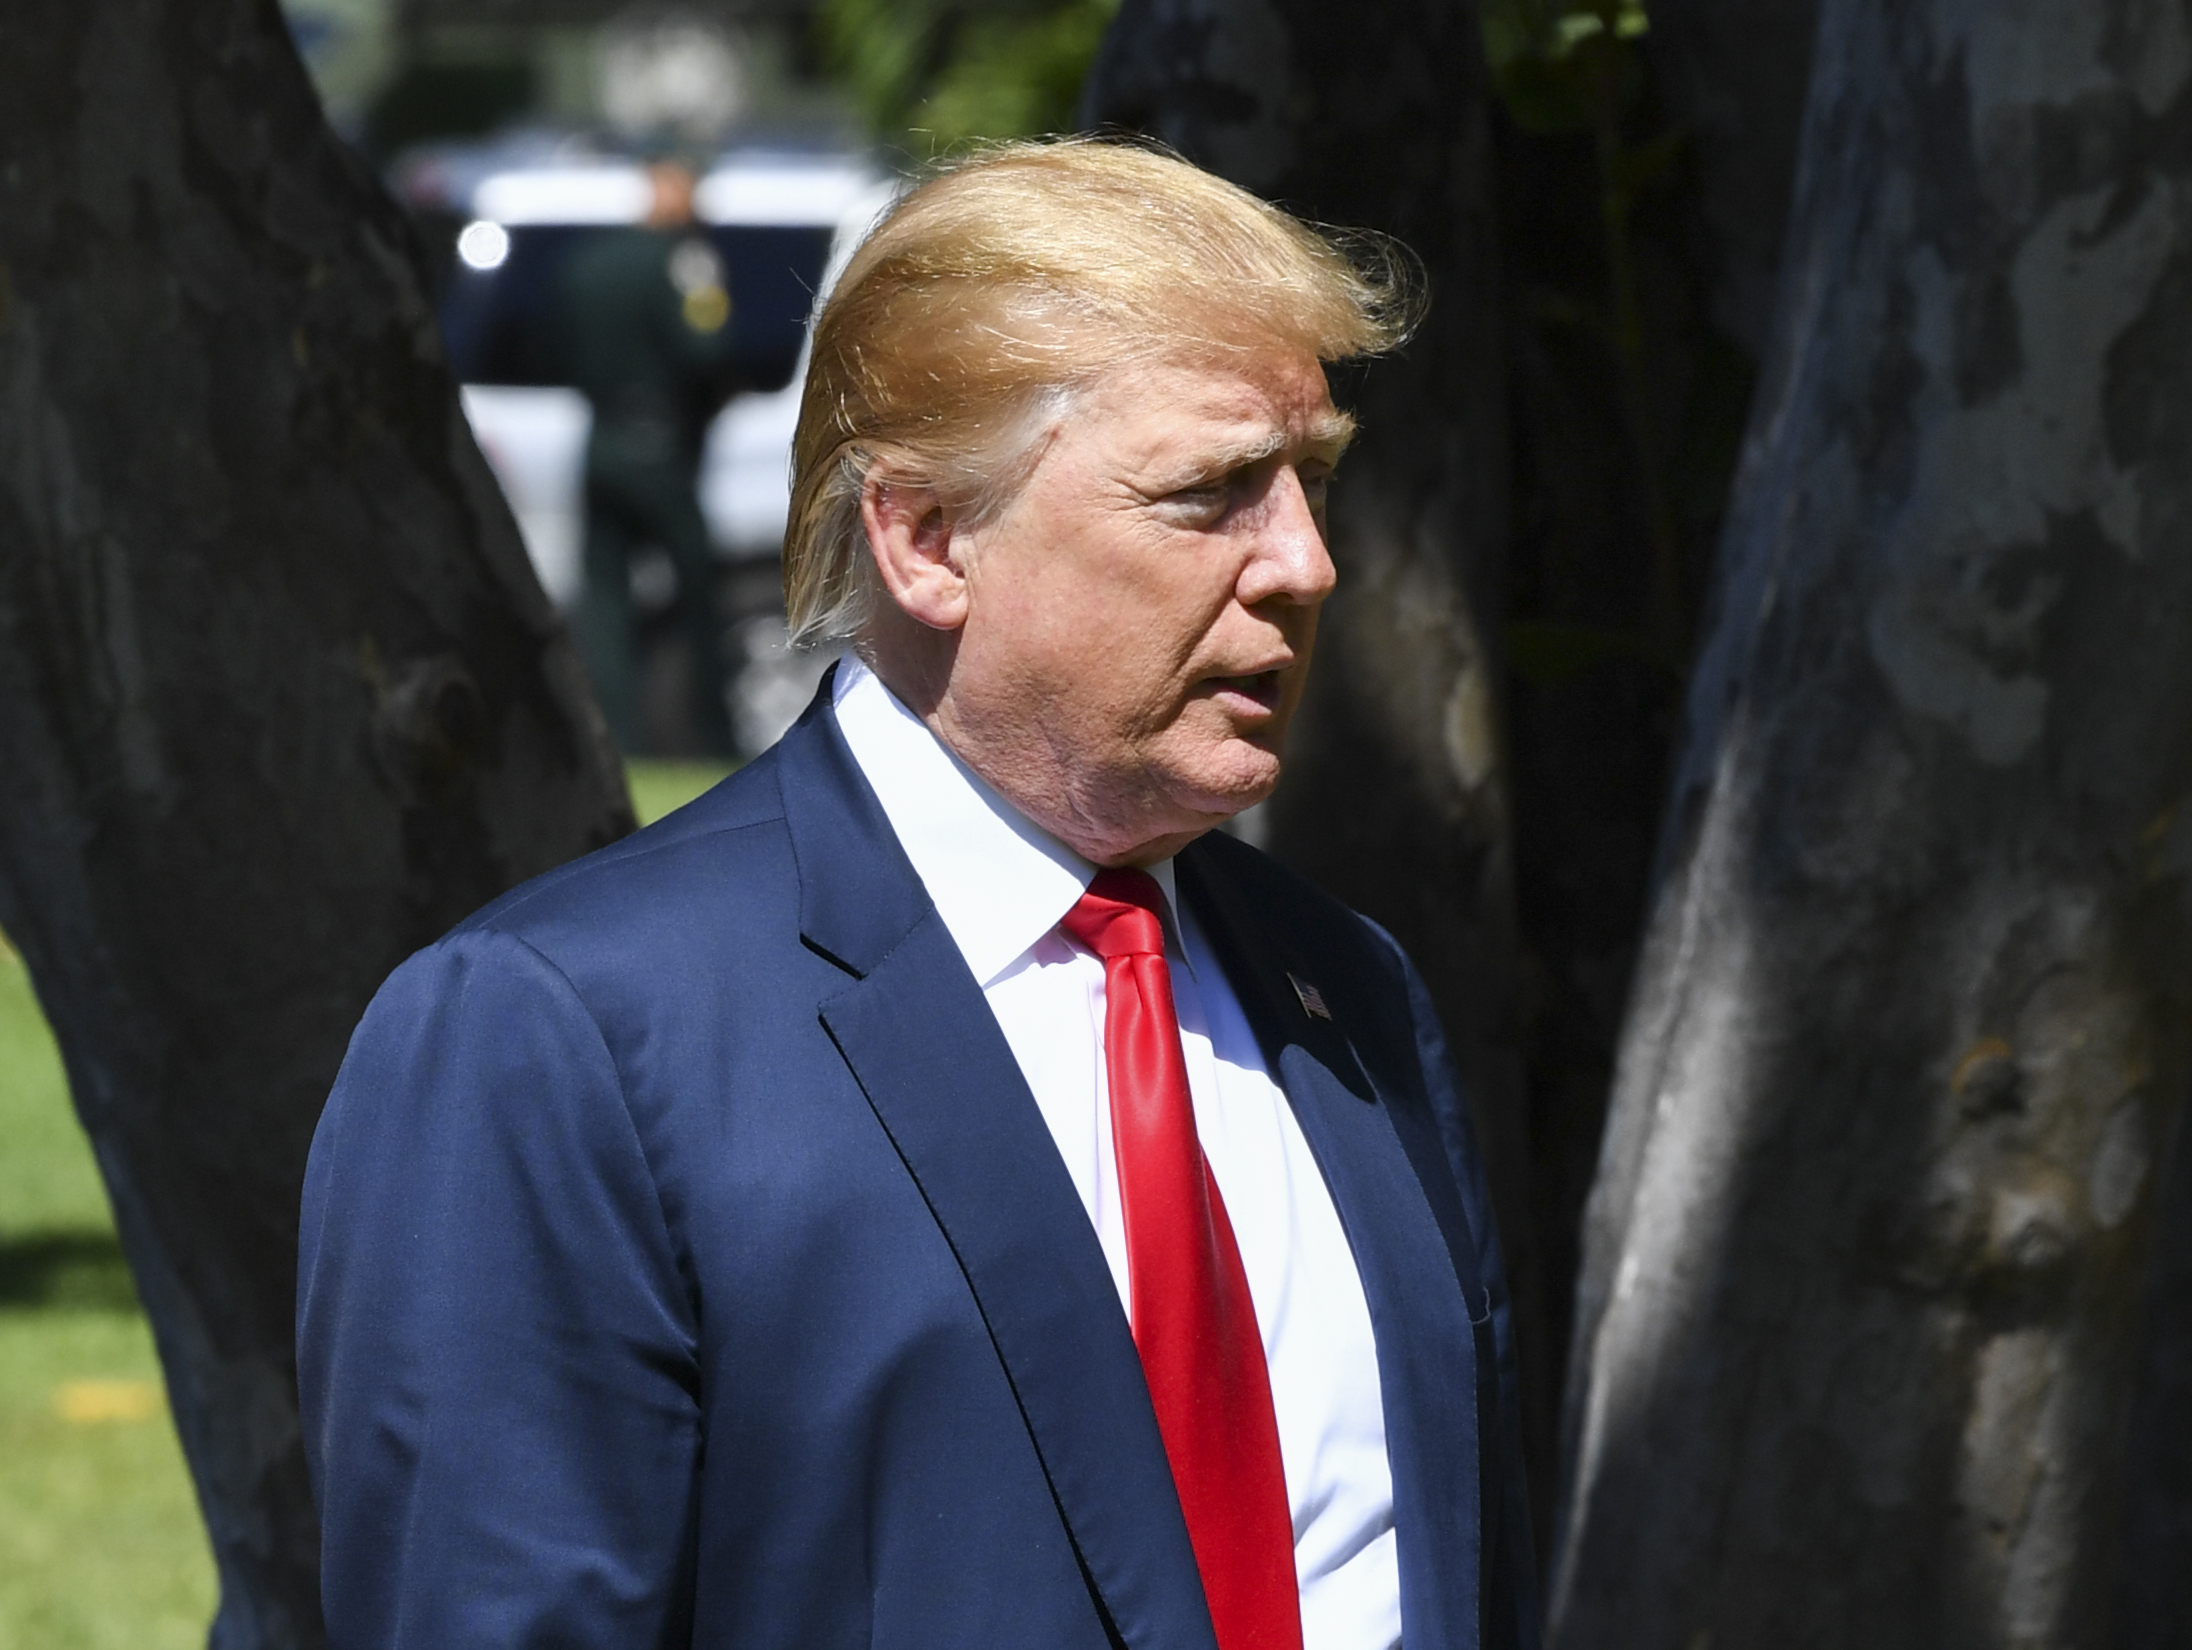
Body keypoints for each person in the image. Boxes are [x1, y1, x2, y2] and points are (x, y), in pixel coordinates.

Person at [298, 138, 1537, 1650]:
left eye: (1314, 479)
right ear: (928, 537)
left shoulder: (1345, 990)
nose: (1306, 561)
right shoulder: (563, 1037)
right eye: (1213, 491)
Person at [558, 156, 738, 757]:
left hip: (600, 440)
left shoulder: (590, 262)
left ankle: (617, 738)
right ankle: (711, 735)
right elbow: (705, 349)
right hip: (660, 446)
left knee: (604, 602)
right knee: (697, 595)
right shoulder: (685, 260)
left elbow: (550, 350)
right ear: (670, 186)